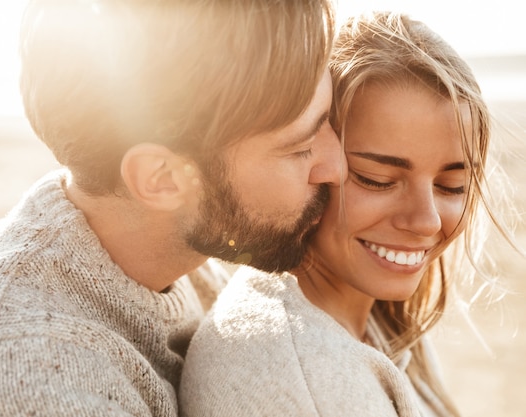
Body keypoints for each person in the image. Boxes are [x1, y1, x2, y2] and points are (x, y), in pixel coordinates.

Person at [0, 1, 344, 416]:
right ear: (162, 180)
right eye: (301, 147)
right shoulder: (21, 382)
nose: (338, 167)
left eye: (332, 120)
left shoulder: (186, 255)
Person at [180, 11, 518, 417]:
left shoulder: (382, 318)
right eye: (377, 179)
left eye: (452, 187)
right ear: (315, 164)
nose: (427, 221)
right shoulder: (291, 377)